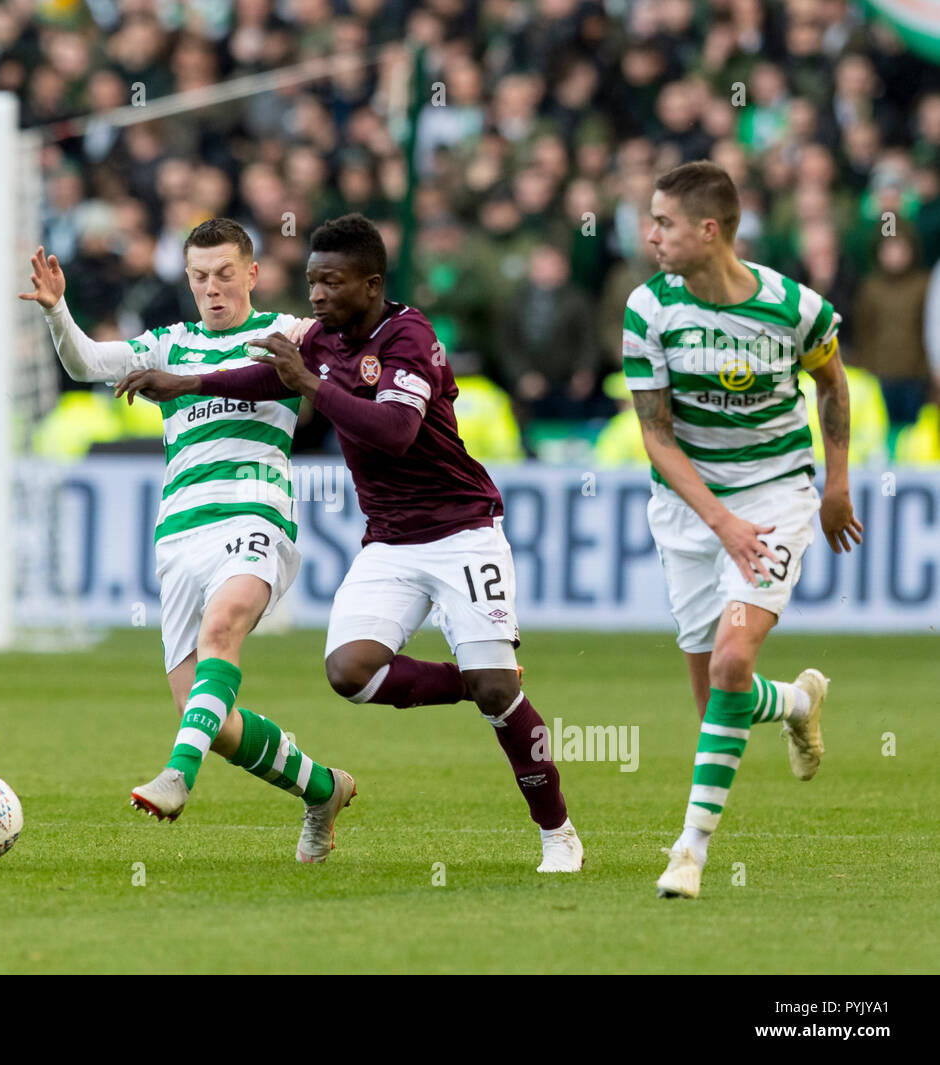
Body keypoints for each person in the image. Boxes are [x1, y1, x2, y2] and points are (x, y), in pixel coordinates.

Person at [118, 213, 584, 874]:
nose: (315, 296)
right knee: (349, 672)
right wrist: (189, 383)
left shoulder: (411, 336)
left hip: (462, 531)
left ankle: (557, 831)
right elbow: (266, 377)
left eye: (329, 282)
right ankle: (471, 685)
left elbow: (393, 430)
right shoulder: (326, 340)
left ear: (371, 283)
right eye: (310, 281)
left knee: (500, 695)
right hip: (389, 541)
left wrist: (312, 385)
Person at [21, 218, 355, 863]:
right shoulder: (169, 344)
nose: (213, 287)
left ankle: (176, 777)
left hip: (255, 516)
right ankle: (322, 788)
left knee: (223, 630)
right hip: (180, 535)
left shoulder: (286, 334)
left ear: (252, 274)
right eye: (200, 277)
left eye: (226, 273)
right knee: (212, 722)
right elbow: (87, 362)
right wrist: (58, 310)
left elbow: (345, 356)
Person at [622, 161, 863, 899]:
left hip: (776, 495)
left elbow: (832, 382)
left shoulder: (795, 307)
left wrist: (837, 480)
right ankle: (794, 701)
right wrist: (719, 522)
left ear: (709, 229)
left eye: (663, 222)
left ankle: (688, 853)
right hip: (692, 511)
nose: (650, 235)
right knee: (715, 701)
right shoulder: (647, 310)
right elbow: (657, 436)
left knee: (731, 665)